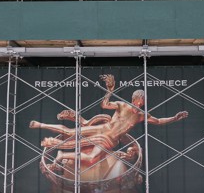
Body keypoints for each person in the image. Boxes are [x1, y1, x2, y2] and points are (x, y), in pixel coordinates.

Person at [29, 74, 188, 172]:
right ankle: (40, 124)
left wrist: (175, 117)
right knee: (71, 132)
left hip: (110, 140)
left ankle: (62, 155)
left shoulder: (141, 115)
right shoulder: (122, 105)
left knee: (91, 157)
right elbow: (105, 105)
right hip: (104, 129)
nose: (141, 103)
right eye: (140, 100)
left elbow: (158, 121)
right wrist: (110, 90)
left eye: (143, 101)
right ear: (134, 99)